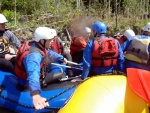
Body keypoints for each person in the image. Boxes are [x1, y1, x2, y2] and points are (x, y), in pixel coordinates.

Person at [14, 27, 68, 110]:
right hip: (25, 83)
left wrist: (61, 57)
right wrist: (35, 94)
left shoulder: (36, 44)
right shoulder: (33, 56)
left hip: (37, 74)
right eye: (50, 40)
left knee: (57, 65)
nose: (52, 41)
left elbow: (49, 52)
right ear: (42, 40)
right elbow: (33, 74)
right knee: (62, 74)